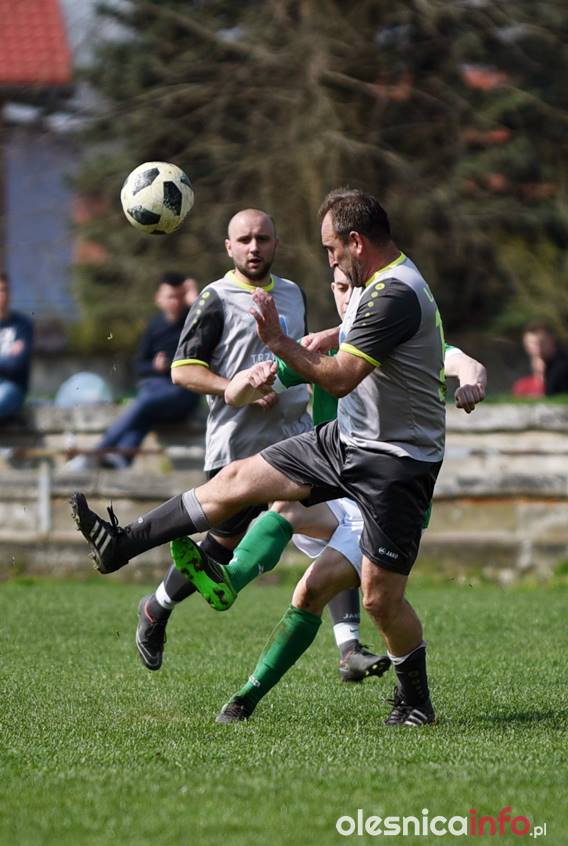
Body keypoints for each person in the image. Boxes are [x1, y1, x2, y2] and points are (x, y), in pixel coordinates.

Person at [71, 188, 448, 727]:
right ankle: (123, 543)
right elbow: (355, 341)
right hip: (344, 441)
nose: (329, 260)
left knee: (379, 600)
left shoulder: (396, 293)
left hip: (397, 463)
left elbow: (342, 378)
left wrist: (277, 340)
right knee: (238, 479)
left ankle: (415, 701)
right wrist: (320, 339)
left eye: (331, 249)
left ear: (356, 242)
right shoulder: (375, 284)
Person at [171, 280, 486, 721]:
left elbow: (466, 363)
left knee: (324, 595)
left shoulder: (401, 338)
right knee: (284, 506)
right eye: (338, 287)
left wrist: (470, 383)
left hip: (383, 502)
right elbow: (249, 388)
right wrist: (244, 383)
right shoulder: (322, 352)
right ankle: (229, 580)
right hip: (338, 489)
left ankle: (251, 696)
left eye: (354, 287)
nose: (347, 296)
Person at [131, 210, 387, 682]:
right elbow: (183, 371)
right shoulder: (213, 298)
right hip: (237, 445)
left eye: (263, 239)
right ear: (229, 247)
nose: (254, 247)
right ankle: (157, 607)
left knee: (333, 527)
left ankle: (349, 647)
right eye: (245, 239)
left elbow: (301, 354)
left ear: (276, 243)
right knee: (222, 546)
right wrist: (239, 385)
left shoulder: (293, 293)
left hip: (295, 439)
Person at [66, 272, 199, 470]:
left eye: (179, 297)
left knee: (145, 402)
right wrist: (155, 367)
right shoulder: (154, 326)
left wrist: (195, 299)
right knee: (146, 409)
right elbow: (140, 366)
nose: (175, 302)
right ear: (158, 299)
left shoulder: (193, 321)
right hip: (157, 394)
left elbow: (207, 329)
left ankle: (98, 450)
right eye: (170, 297)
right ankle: (121, 459)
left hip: (182, 394)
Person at [0, 273, 34, 422]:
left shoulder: (22, 325)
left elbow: (16, 364)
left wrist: (10, 361)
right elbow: (9, 362)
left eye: (4, 289)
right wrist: (7, 357)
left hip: (12, 387)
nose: (2, 295)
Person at [513, 322, 568, 397]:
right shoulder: (523, 385)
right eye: (532, 343)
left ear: (552, 340)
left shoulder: (562, 366)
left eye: (542, 342)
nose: (538, 347)